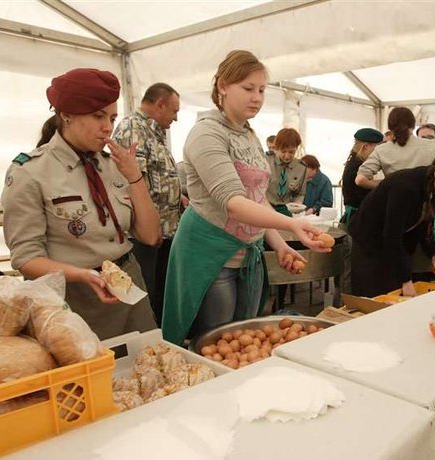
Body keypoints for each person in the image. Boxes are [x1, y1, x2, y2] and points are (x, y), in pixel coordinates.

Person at [162, 50, 328, 346]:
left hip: (246, 255)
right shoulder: (206, 134)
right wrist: (292, 226)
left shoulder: (248, 134)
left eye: (262, 90)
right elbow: (234, 203)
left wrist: (277, 244)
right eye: (248, 88)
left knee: (245, 340)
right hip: (211, 256)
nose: (257, 97)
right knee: (215, 343)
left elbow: (257, 199)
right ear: (223, 86)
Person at [2, 68, 160, 340]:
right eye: (98, 116)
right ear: (66, 115)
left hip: (128, 285)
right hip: (74, 298)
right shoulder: (30, 172)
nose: (108, 127)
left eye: (112, 117)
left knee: (148, 365)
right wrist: (84, 275)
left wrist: (135, 177)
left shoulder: (115, 166)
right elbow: (26, 258)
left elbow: (150, 235)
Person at [349, 148, 435, 298]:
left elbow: (424, 222)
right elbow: (391, 235)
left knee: (394, 292)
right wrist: (405, 279)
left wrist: (433, 251)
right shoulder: (405, 187)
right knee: (375, 296)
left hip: (392, 242)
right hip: (369, 241)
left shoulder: (432, 185)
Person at [112, 82, 181, 325]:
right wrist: (148, 226)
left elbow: (157, 176)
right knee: (147, 295)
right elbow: (131, 184)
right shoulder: (133, 129)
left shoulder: (154, 132)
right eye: (174, 111)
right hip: (144, 234)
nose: (175, 117)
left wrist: (179, 196)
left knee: (162, 293)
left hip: (163, 230)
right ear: (159, 104)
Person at [355, 107, 435, 190]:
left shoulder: (381, 150)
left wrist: (388, 184)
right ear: (413, 126)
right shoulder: (431, 146)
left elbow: (360, 180)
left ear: (390, 127)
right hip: (423, 200)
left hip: (394, 200)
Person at [340, 127, 383, 225]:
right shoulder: (359, 166)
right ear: (366, 146)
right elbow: (364, 196)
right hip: (359, 218)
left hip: (355, 216)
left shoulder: (353, 161)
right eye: (377, 148)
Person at [266, 128, 307, 216]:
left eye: (291, 152)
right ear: (277, 148)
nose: (287, 156)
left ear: (297, 148)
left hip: (285, 210)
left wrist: (297, 206)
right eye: (283, 151)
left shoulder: (301, 168)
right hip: (265, 207)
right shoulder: (266, 160)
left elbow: (300, 194)